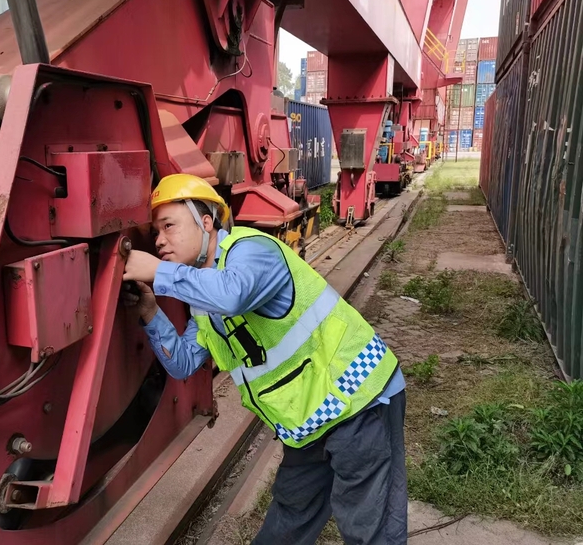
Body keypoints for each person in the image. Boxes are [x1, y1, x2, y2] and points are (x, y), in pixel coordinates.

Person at [121, 174, 407, 545]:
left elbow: (234, 294)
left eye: (168, 226)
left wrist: (158, 272)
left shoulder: (251, 249)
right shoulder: (203, 303)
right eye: (155, 232)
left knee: (368, 526)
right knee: (288, 521)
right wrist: (149, 311)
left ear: (206, 222)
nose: (159, 240)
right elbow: (183, 363)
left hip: (359, 399)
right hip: (309, 422)